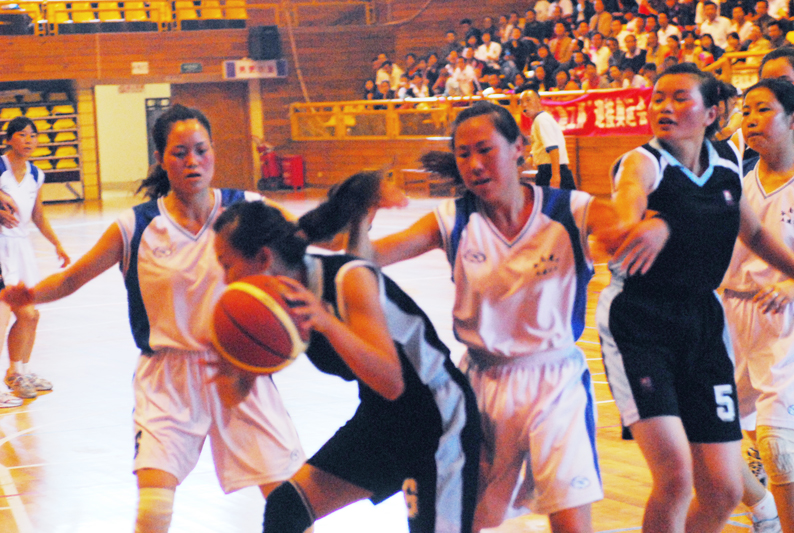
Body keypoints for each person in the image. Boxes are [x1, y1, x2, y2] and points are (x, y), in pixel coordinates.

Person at [1, 104, 305, 533]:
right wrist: (30, 294)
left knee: (293, 507)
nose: (193, 161)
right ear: (161, 158)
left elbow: (306, 244)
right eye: (180, 153)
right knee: (153, 512)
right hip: (168, 378)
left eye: (201, 150)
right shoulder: (136, 226)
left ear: (214, 152)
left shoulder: (249, 209)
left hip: (241, 370)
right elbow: (72, 279)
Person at [365, 101, 618, 533]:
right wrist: (363, 209)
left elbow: (630, 224)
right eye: (463, 154)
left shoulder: (571, 210)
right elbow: (367, 258)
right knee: (473, 518)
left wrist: (652, 227)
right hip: (482, 383)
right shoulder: (453, 220)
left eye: (485, 150)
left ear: (519, 147)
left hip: (556, 381)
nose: (474, 164)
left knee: (572, 524)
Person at [211, 174, 481, 533]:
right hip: (382, 420)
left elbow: (392, 383)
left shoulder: (348, 280)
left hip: (438, 418)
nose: (225, 280)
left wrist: (327, 323)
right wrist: (231, 365)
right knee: (286, 507)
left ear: (263, 258)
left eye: (227, 265)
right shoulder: (275, 307)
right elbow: (236, 394)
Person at [597, 63, 794, 533]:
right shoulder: (643, 163)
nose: (664, 107)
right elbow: (624, 212)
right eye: (658, 98)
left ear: (710, 113)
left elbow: (754, 234)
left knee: (723, 490)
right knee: (675, 478)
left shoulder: (726, 164)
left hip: (703, 320)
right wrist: (637, 224)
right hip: (640, 323)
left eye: (679, 98)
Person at [723, 77, 794, 533]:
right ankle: (763, 506)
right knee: (709, 436)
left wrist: (789, 284)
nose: (750, 119)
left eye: (763, 109)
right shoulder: (735, 185)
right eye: (746, 110)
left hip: (782, 321)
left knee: (777, 445)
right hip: (730, 318)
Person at [0, 116, 70, 403]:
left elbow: (38, 215)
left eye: (33, 135)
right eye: (22, 134)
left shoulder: (36, 175)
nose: (29, 140)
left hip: (21, 249)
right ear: (8, 139)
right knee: (8, 315)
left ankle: (19, 372)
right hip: (1, 247)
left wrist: (57, 244)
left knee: (31, 315)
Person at [520, 90, 577, 190]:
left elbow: (553, 148)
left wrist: (555, 176)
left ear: (538, 102)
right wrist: (520, 168)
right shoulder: (539, 120)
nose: (524, 105)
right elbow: (537, 152)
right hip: (549, 171)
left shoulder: (541, 120)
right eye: (521, 102)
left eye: (528, 100)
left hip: (551, 171)